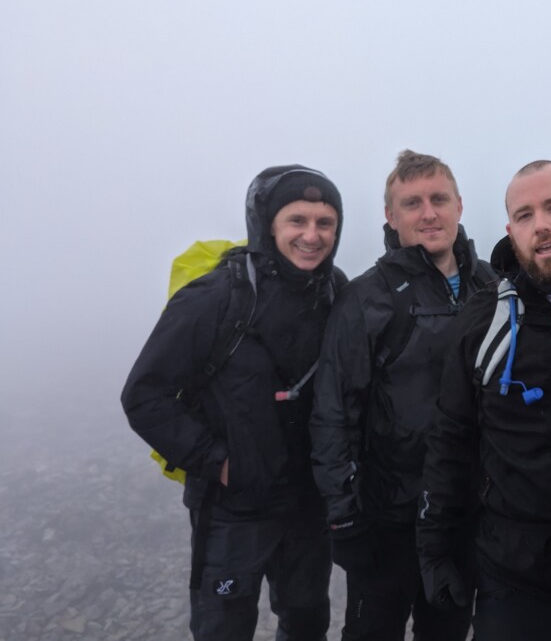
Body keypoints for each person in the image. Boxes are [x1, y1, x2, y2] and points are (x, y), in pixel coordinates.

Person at [122, 165, 345, 641]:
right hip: (232, 507)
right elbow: (144, 395)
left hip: (307, 507)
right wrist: (217, 461)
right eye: (297, 221)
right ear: (269, 225)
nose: (312, 235)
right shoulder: (218, 296)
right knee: (223, 629)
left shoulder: (335, 293)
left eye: (325, 223)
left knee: (307, 623)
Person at [418, 160, 551, 641]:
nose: (541, 224)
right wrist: (436, 547)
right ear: (510, 230)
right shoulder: (483, 320)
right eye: (524, 214)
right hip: (514, 572)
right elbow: (451, 440)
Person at [310, 150, 494, 641]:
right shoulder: (367, 298)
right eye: (412, 203)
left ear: (459, 205)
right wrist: (343, 517)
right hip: (387, 518)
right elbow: (333, 414)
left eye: (438, 199)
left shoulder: (492, 288)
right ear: (391, 217)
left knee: (447, 631)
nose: (428, 212)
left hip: (462, 514)